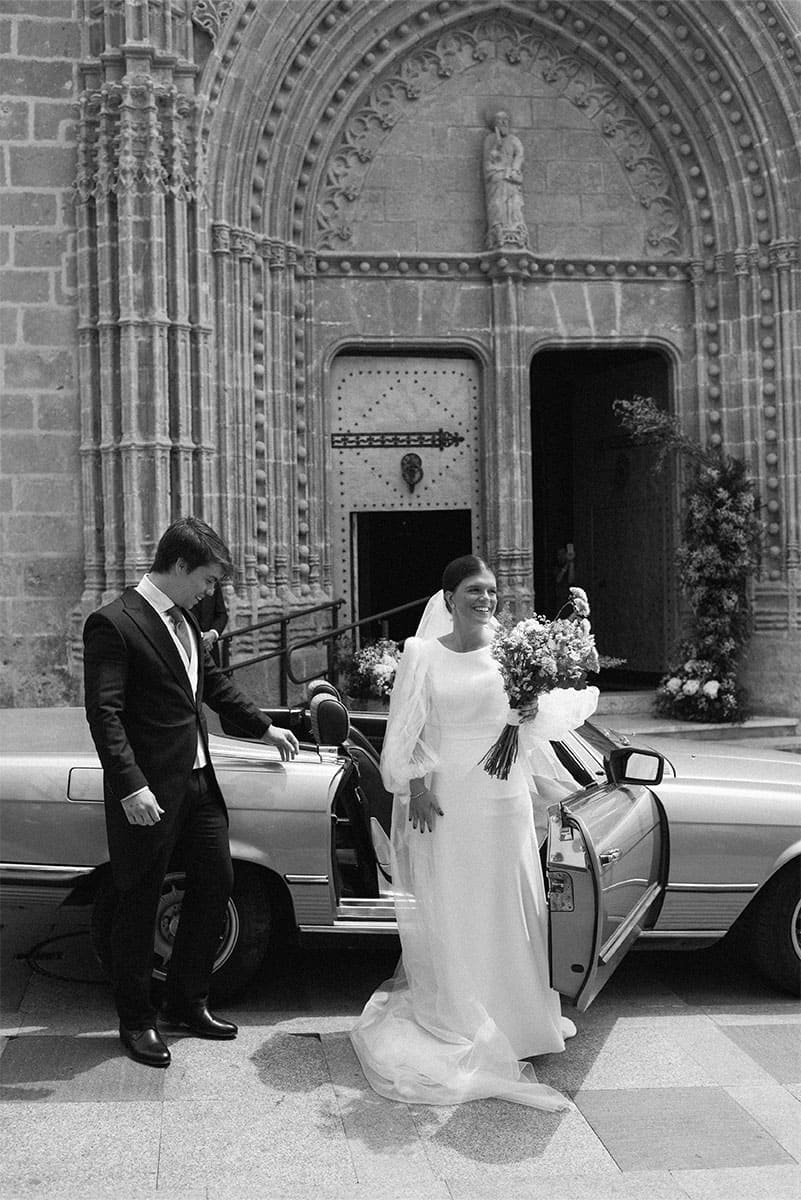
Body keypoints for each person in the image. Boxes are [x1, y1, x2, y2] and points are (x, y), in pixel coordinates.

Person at [350, 556, 577, 1110]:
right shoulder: (422, 653)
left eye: (492, 591)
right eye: (474, 590)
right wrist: (418, 789)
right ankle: (462, 1013)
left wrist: (530, 711)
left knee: (510, 901)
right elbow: (413, 726)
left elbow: (530, 730)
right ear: (448, 597)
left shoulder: (514, 650)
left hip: (504, 798)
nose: (486, 599)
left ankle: (522, 1019)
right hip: (449, 795)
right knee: (456, 902)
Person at [83, 516, 299, 1068]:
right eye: (206, 579)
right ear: (178, 566)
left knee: (217, 881)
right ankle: (136, 1022)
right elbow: (105, 714)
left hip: (200, 781)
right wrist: (129, 784)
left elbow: (213, 685)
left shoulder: (185, 619)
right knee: (139, 900)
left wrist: (263, 726)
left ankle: (186, 1001)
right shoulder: (114, 622)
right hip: (147, 790)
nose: (210, 592)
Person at [483, 110, 530, 249]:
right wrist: (496, 148)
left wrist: (514, 170)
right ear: (494, 124)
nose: (503, 123)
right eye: (500, 121)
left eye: (506, 120)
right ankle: (497, 227)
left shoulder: (514, 140)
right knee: (497, 204)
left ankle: (516, 227)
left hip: (511, 176)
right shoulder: (490, 139)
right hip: (496, 176)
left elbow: (519, 155)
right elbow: (488, 161)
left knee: (515, 204)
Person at [191, 578, 228, 664]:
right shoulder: (181, 582)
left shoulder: (213, 581)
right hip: (189, 649)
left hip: (210, 650)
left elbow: (222, 614)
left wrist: (213, 633)